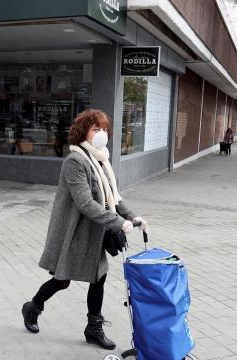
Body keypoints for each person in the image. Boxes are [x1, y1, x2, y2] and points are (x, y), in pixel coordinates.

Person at [21, 109, 148, 350]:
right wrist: (118, 222)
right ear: (83, 132)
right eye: (95, 129)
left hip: (95, 231)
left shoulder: (101, 159)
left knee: (98, 277)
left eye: (104, 129)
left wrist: (133, 216)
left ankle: (93, 328)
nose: (101, 134)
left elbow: (113, 198)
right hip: (74, 232)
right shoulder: (75, 161)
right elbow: (85, 203)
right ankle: (32, 307)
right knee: (62, 281)